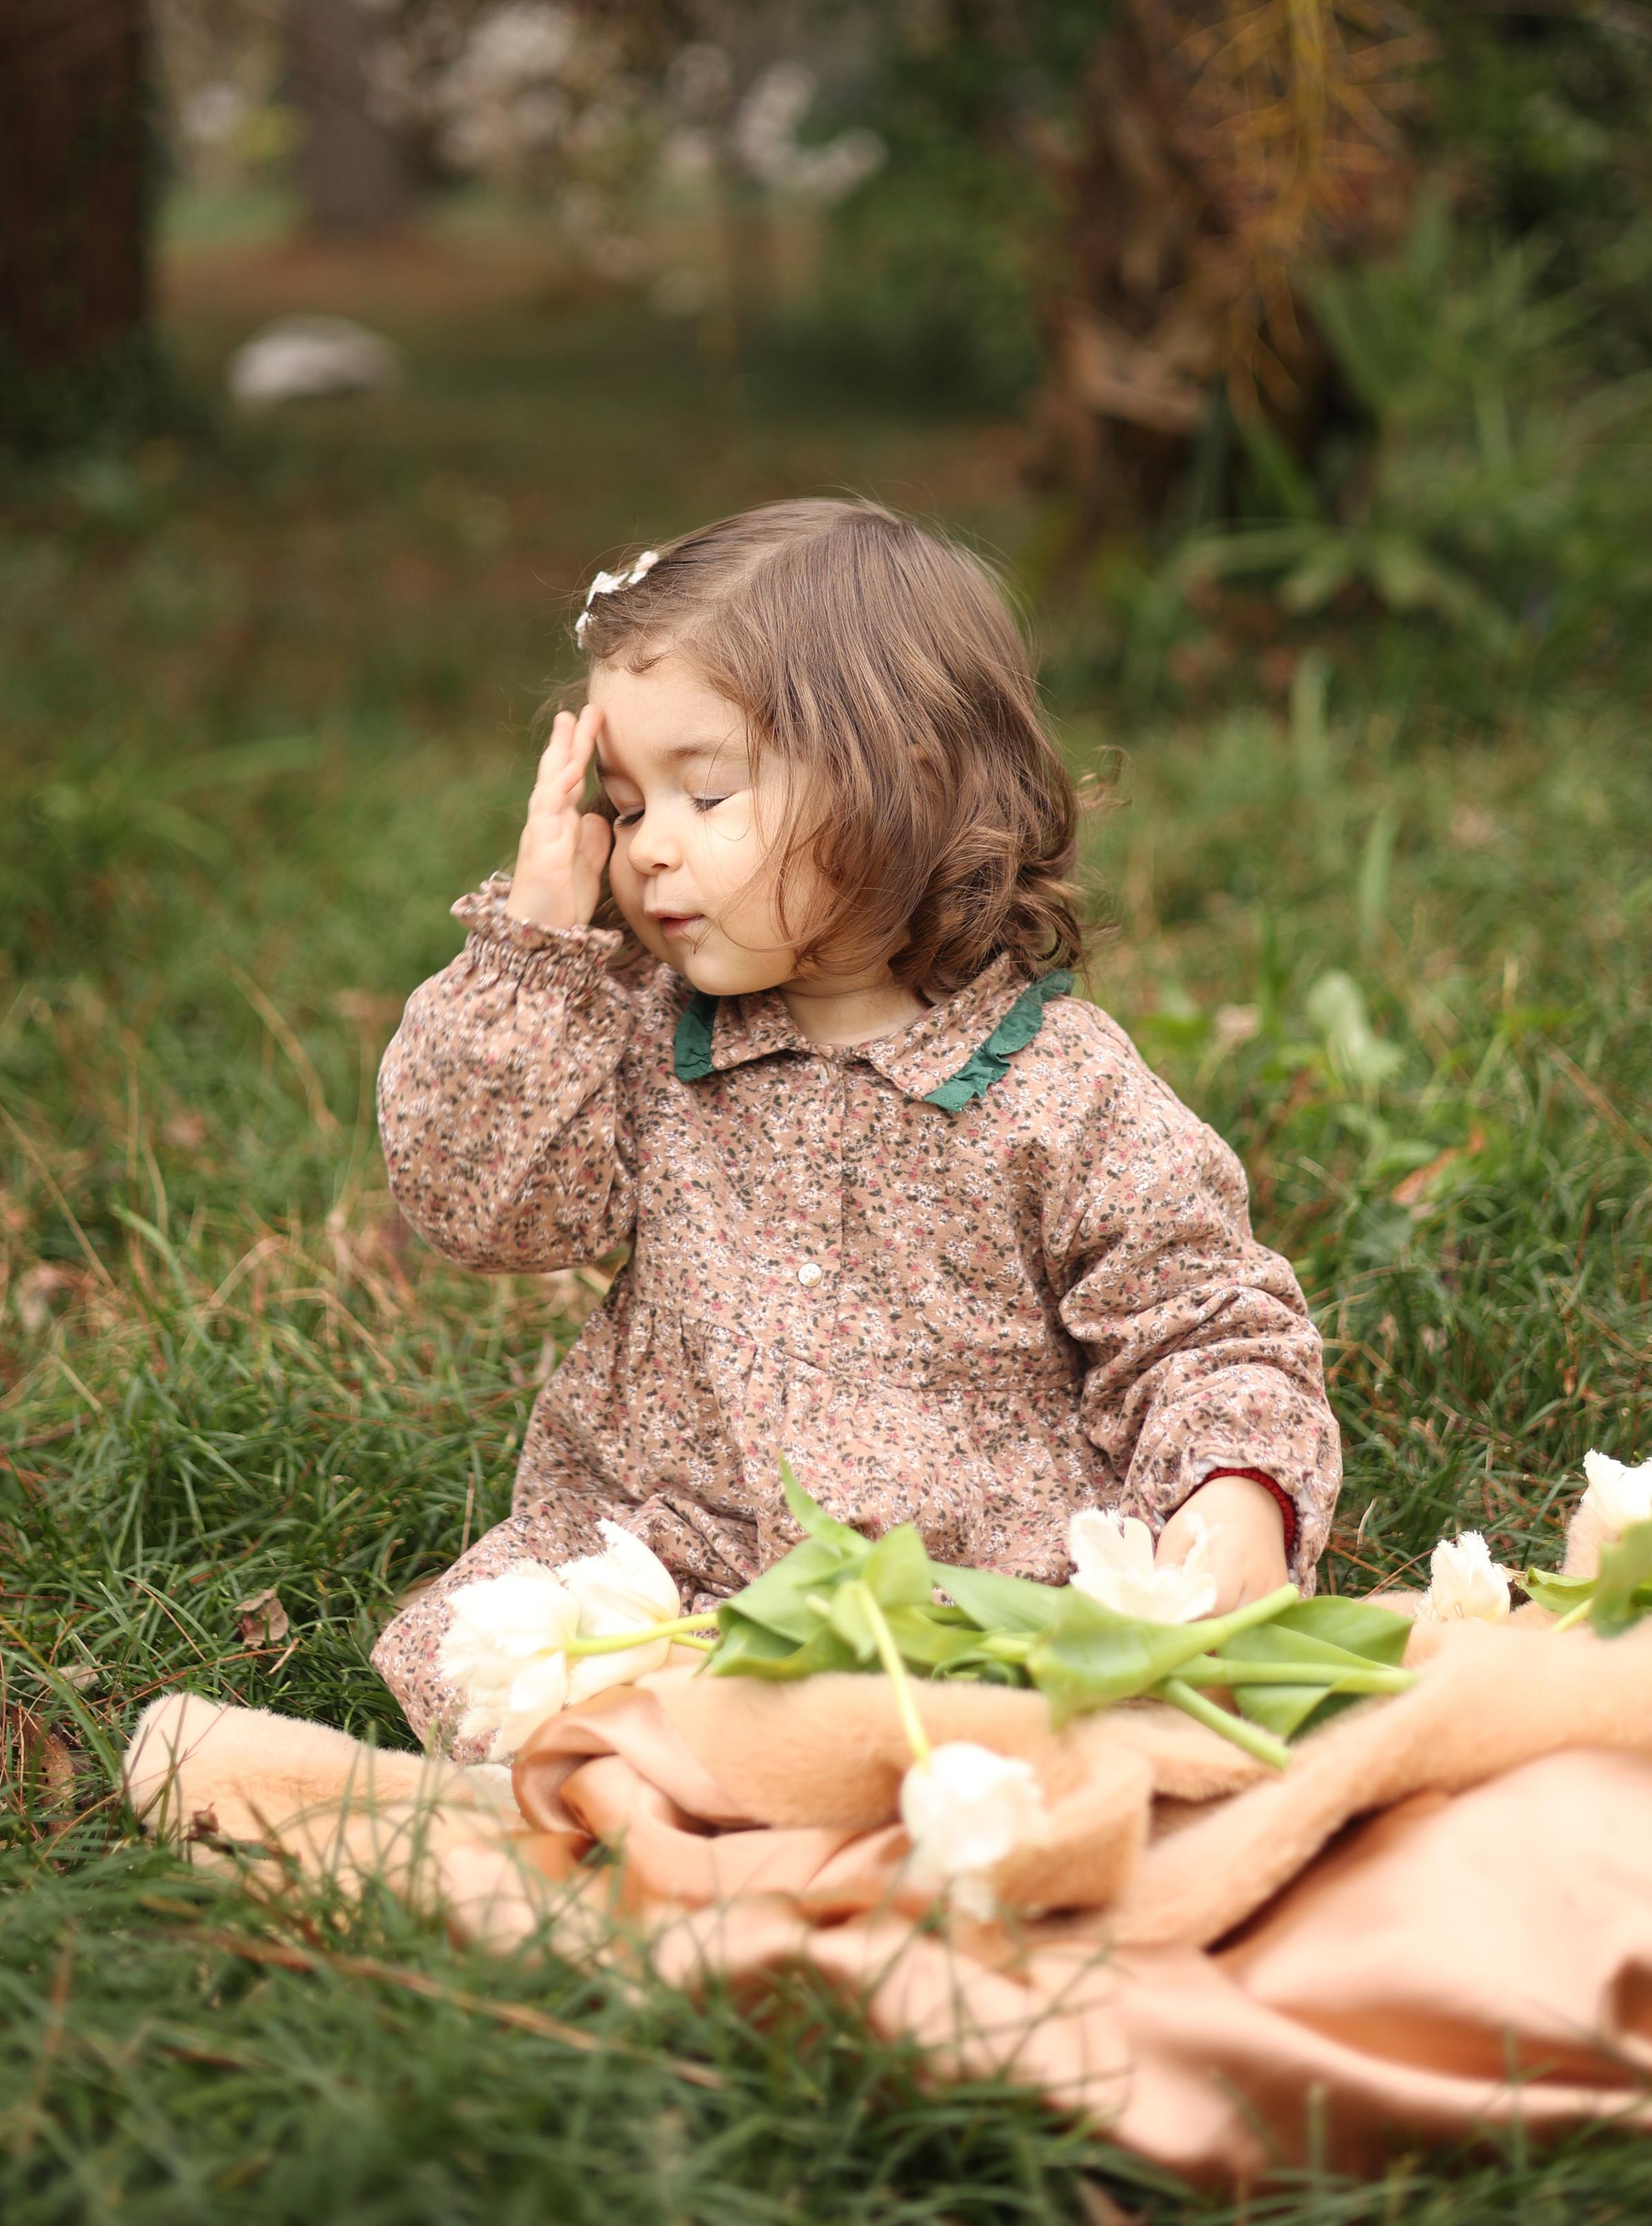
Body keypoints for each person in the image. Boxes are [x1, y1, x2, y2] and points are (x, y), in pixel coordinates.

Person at [372, 499, 1340, 1757]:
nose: (650, 849)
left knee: (1014, 1729)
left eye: (705, 792)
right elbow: (483, 1212)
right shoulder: (637, 1040)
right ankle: (730, 1765)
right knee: (505, 1662)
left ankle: (807, 1770)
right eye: (627, 805)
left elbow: (1201, 1320)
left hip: (968, 1585)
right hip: (679, 1556)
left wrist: (1234, 1493)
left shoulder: (1058, 1086)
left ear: (903, 783)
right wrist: (538, 950)